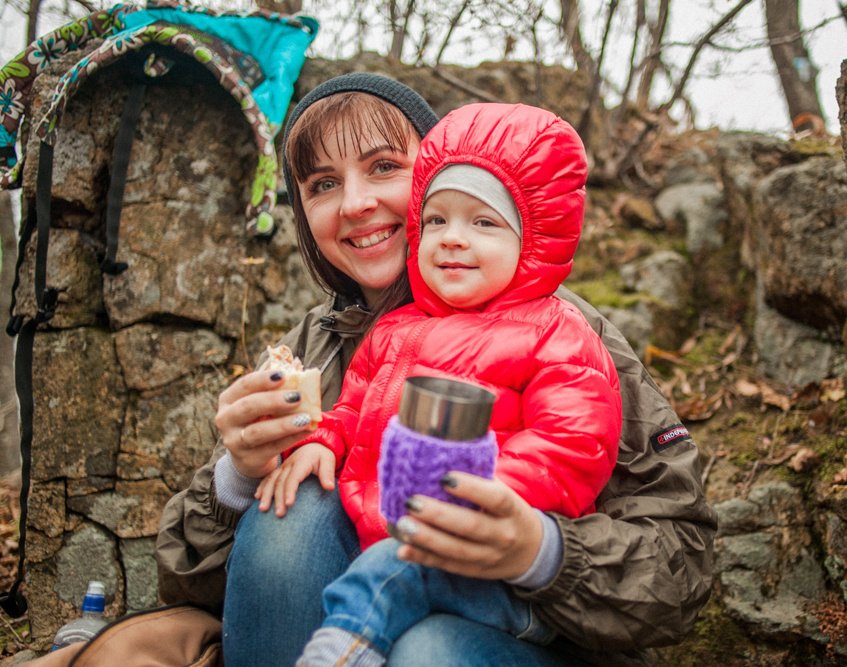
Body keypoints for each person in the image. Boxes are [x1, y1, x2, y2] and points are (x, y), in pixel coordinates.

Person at [155, 72, 719, 667]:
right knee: (293, 498)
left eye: (382, 167)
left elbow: (682, 560)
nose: (355, 204)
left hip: (518, 632)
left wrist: (544, 551)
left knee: (429, 652)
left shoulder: (561, 331)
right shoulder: (314, 346)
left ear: (436, 173)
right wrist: (237, 480)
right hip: (345, 620)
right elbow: (188, 584)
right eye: (323, 183)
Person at [253, 102, 622, 666]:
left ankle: (338, 650)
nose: (451, 239)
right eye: (437, 220)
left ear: (534, 239)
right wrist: (318, 439)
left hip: (493, 570)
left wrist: (480, 491)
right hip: (396, 537)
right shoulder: (396, 330)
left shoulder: (558, 333)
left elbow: (572, 446)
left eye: (483, 222)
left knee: (392, 577)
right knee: (354, 543)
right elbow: (353, 409)